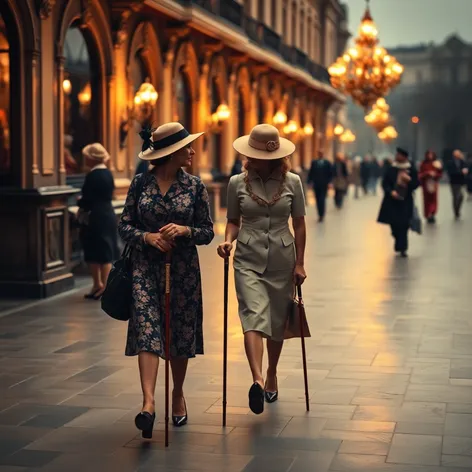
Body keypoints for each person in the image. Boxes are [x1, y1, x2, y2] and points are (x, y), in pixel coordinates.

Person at [118, 122, 214, 438]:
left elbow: (207, 231)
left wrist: (186, 231)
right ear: (172, 153)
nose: (192, 150)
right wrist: (146, 237)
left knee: (178, 334)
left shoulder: (196, 186)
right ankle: (148, 404)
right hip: (144, 268)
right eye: (187, 146)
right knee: (147, 330)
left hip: (183, 270)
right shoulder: (139, 184)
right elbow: (125, 226)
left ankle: (177, 393)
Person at [217, 124, 307, 415]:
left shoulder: (293, 182)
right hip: (247, 257)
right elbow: (232, 220)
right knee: (253, 315)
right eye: (255, 155)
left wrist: (301, 263)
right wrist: (228, 241)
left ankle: (271, 373)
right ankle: (256, 379)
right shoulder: (236, 183)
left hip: (283, 258)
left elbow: (300, 224)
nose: (260, 161)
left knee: (278, 321)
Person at [78, 143, 118, 299]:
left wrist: (80, 203)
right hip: (108, 213)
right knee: (106, 250)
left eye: (86, 156)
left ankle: (99, 285)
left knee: (94, 250)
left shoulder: (92, 175)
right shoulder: (108, 173)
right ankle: (103, 285)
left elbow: (87, 199)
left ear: (91, 158)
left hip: (95, 215)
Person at [377, 147, 419, 257]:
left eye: (400, 155)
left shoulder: (411, 169)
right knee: (394, 224)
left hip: (405, 201)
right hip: (392, 201)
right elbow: (385, 183)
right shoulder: (392, 169)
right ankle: (396, 236)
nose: (397, 157)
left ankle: (403, 248)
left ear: (404, 157)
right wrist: (391, 192)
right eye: (397, 155)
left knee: (404, 224)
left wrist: (409, 181)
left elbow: (416, 184)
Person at [307, 150, 333, 221]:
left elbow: (330, 174)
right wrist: (309, 182)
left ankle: (322, 214)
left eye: (322, 153)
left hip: (324, 184)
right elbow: (311, 173)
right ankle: (319, 213)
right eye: (319, 154)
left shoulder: (327, 163)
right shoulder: (314, 162)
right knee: (317, 199)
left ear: (323, 154)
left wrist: (330, 182)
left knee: (322, 199)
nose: (320, 155)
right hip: (316, 184)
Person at [419, 150, 443, 223]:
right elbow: (420, 174)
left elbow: (440, 174)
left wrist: (435, 175)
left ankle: (432, 213)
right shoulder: (423, 164)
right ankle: (427, 214)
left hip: (434, 183)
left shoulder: (436, 163)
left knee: (434, 199)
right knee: (427, 200)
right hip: (425, 184)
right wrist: (427, 174)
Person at [445, 149, 468, 219]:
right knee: (456, 197)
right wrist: (461, 172)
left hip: (460, 182)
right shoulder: (450, 163)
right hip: (454, 182)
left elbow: (466, 168)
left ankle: (457, 209)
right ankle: (456, 211)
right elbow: (450, 172)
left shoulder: (462, 162)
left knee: (461, 196)